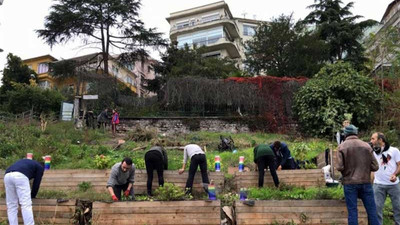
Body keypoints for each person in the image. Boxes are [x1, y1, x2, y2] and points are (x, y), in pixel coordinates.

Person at [337, 125, 379, 225]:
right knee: (372, 211)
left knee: (352, 212)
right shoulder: (366, 146)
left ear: (345, 134)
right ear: (356, 133)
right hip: (365, 182)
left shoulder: (342, 147)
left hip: (349, 183)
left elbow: (339, 167)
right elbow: (375, 167)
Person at [370, 132, 400, 225]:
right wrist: (371, 183)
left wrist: (395, 174)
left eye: (373, 139)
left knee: (398, 207)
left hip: (394, 185)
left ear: (380, 140)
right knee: (376, 209)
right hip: (378, 185)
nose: (371, 141)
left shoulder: (394, 151)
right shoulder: (372, 152)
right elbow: (372, 170)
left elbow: (399, 165)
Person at [4, 159, 44, 225]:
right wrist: (32, 196)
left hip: (7, 175)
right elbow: (36, 184)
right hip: (20, 176)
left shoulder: (28, 163)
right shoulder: (40, 167)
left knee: (11, 205)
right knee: (26, 204)